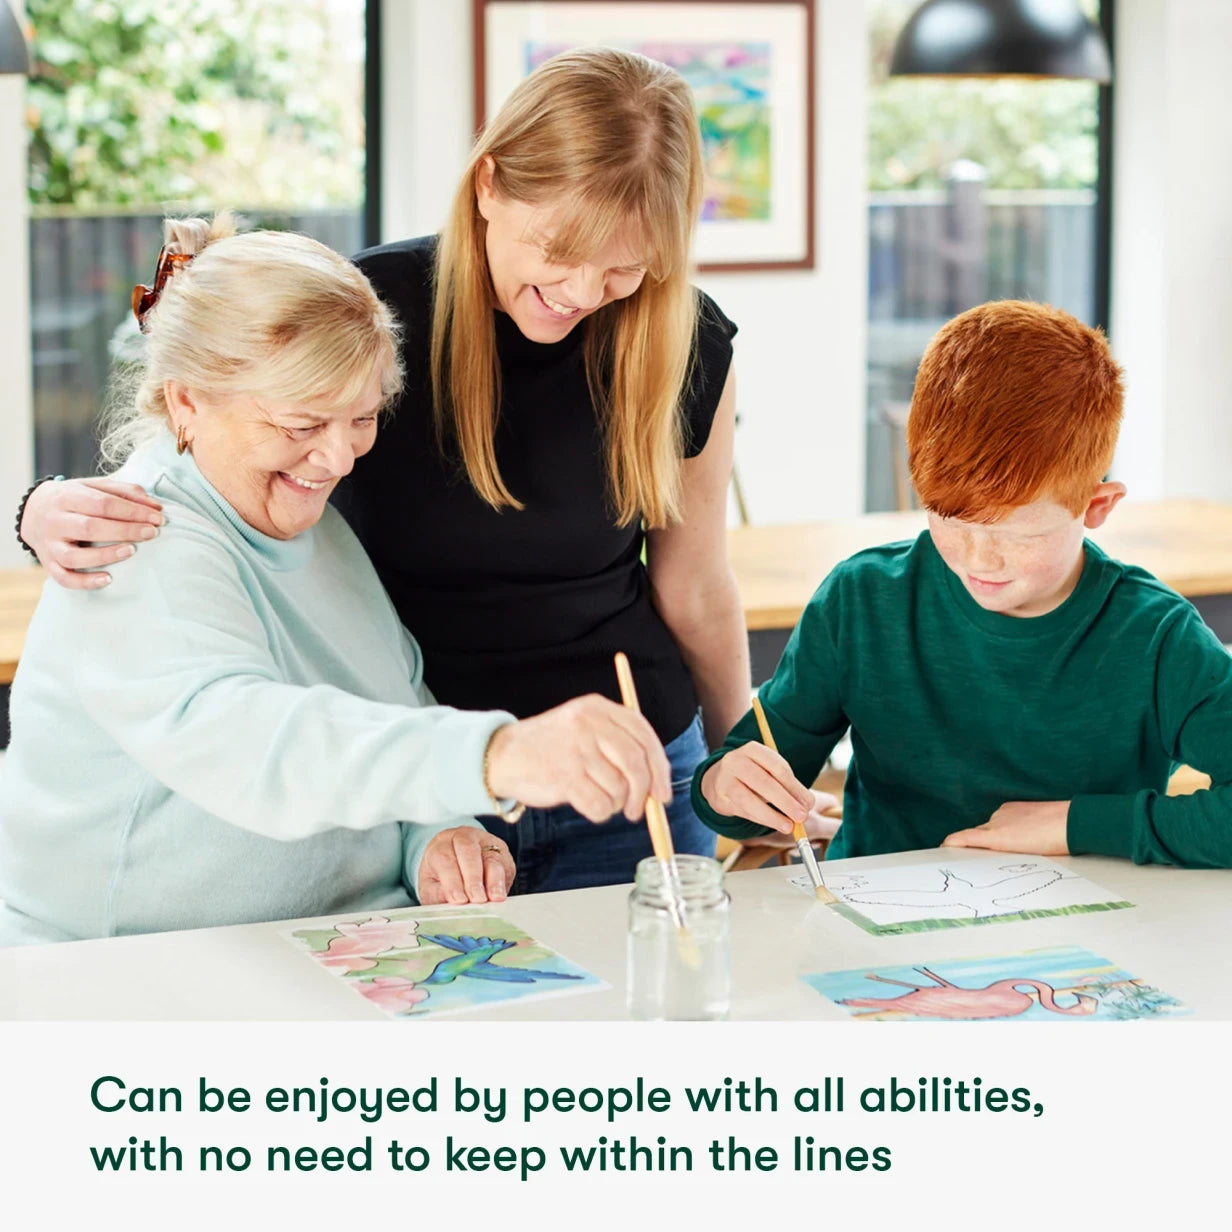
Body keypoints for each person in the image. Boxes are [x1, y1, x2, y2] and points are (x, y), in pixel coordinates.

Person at [16, 48, 792, 893]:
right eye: (558, 250)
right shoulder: (377, 307)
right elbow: (216, 435)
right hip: (407, 783)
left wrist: (738, 755)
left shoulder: (683, 339)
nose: (581, 291)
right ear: (489, 185)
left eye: (624, 267)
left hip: (624, 771)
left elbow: (696, 585)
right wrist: (47, 506)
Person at [0, 216, 675, 947]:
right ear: (189, 400)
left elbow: (396, 693)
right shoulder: (136, 541)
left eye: (361, 418)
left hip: (325, 945)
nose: (336, 458)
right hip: (129, 969)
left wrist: (436, 833)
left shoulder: (313, 526)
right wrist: (497, 756)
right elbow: (251, 745)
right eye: (299, 424)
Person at [692, 300, 1232, 867]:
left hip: (1083, 939)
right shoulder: (862, 602)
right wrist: (725, 786)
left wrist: (1073, 824)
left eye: (1017, 534)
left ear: (1096, 507)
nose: (979, 559)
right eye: (950, 519)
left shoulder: (1155, 637)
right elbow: (739, 793)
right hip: (880, 936)